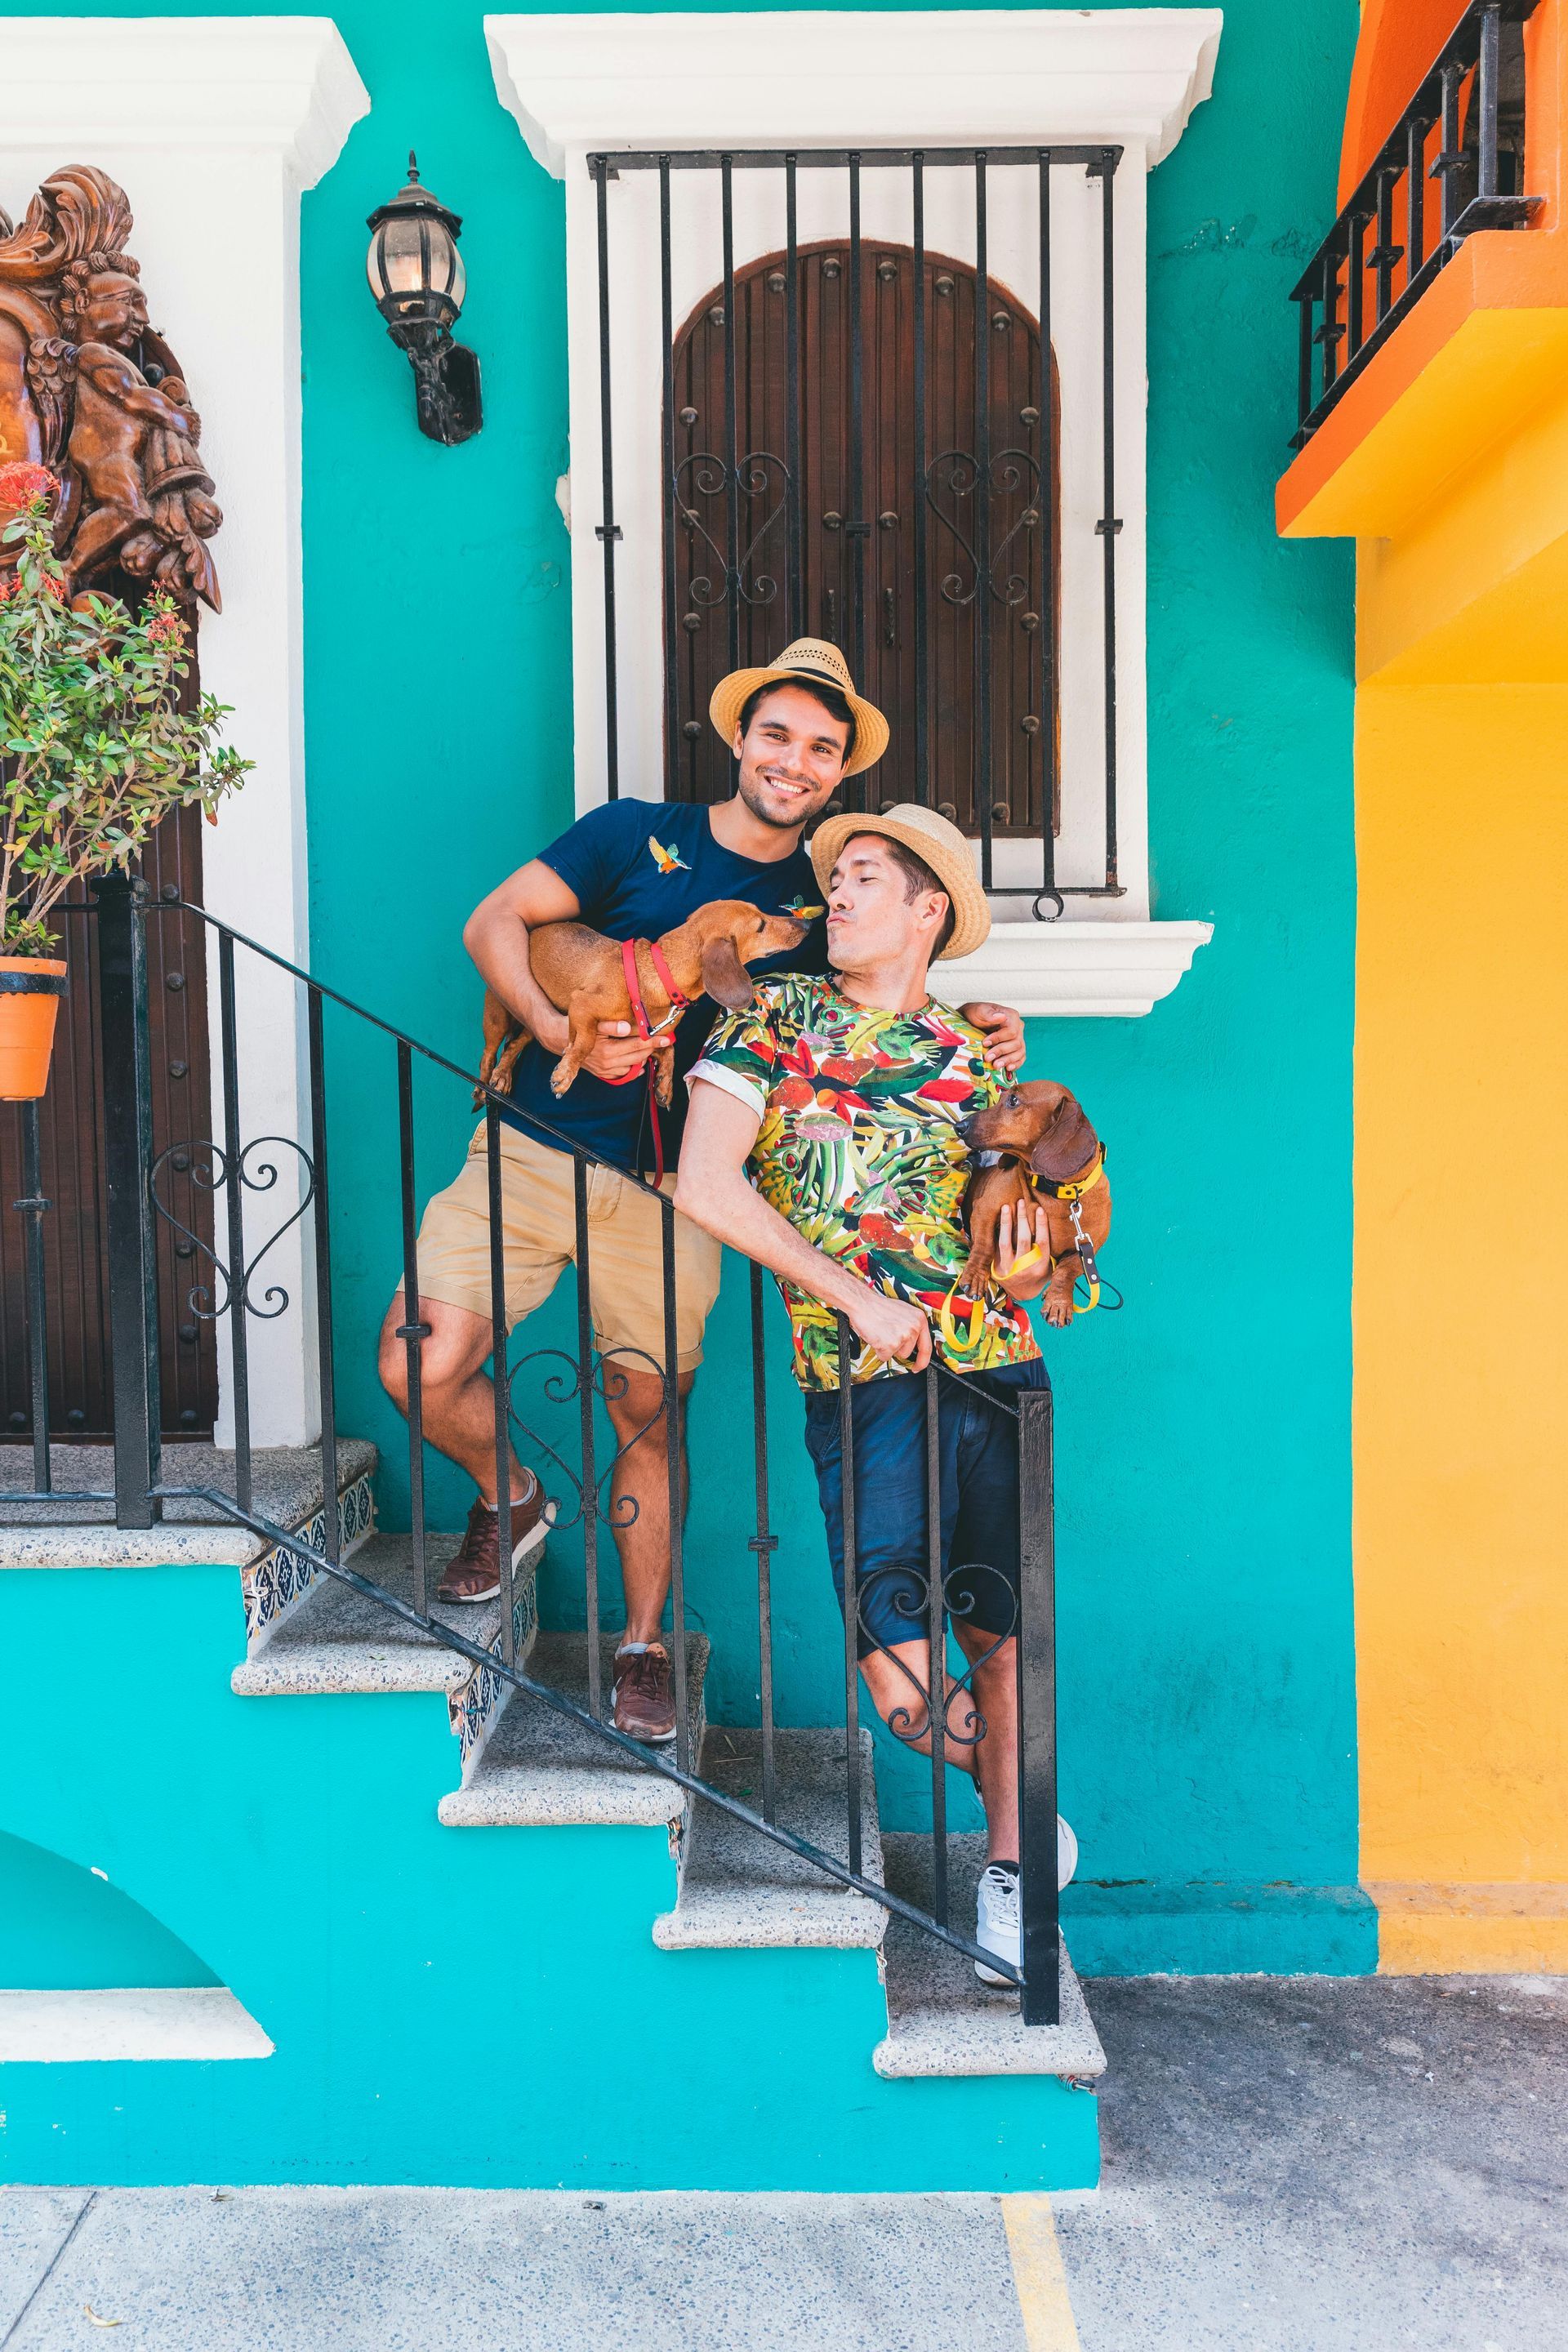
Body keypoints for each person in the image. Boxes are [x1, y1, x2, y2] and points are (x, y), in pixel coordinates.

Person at [379, 642, 1026, 1746]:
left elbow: (878, 1000)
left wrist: (985, 1027)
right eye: (778, 734)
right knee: (415, 1363)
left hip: (674, 1188)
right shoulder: (633, 832)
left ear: (836, 774)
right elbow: (493, 924)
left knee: (647, 1410)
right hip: (529, 1146)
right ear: (739, 739)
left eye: (823, 750)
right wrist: (553, 1034)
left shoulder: (816, 899)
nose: (796, 761)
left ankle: (640, 1646)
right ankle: (511, 1493)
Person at [675, 804, 1077, 1986]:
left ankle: (1012, 1876)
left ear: (927, 910)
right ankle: (1028, 1800)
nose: (835, 894)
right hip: (862, 1377)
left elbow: (1026, 1204)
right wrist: (853, 1297)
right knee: (902, 1687)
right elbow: (704, 1182)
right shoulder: (769, 1021)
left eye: (862, 878)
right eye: (833, 878)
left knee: (1009, 1643)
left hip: (1001, 1370)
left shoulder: (977, 1053)